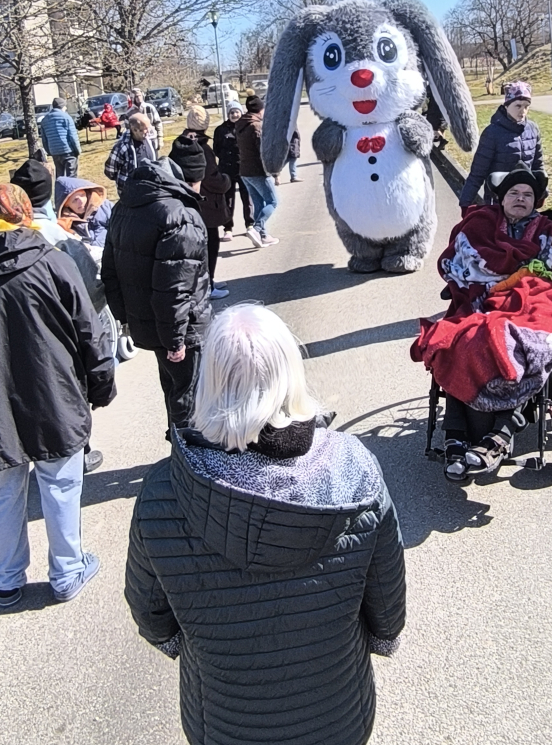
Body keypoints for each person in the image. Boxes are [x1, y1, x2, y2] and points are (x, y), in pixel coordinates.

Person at [124, 303, 406, 745]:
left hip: (220, 721)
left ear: (208, 381)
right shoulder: (354, 470)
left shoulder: (164, 490)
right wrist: (383, 640)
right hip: (337, 715)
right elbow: (386, 601)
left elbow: (152, 616)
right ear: (290, 371)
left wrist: (186, 646)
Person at [0, 184, 115, 607]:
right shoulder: (52, 262)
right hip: (54, 395)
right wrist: (100, 384)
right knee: (61, 484)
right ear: (25, 213)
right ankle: (67, 571)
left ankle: (6, 578)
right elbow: (91, 331)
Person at [411, 164, 552, 480]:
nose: (520, 199)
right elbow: (457, 263)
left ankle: (501, 435)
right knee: (457, 342)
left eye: (527, 195)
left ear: (536, 201)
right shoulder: (479, 224)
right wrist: (486, 284)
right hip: (479, 303)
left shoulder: (548, 230)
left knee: (517, 345)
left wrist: (516, 282)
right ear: (501, 199)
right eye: (514, 193)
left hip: (528, 303)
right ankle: (456, 436)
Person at [11, 162, 108, 475]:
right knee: (67, 394)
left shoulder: (5, 236)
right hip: (61, 332)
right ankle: (80, 451)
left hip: (17, 331)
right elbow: (91, 288)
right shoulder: (60, 237)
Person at [102, 154, 211, 433]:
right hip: (182, 327)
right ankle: (187, 461)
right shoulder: (180, 217)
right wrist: (175, 339)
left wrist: (125, 318)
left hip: (149, 322)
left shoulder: (123, 209)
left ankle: (178, 446)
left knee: (173, 388)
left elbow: (110, 271)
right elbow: (175, 289)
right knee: (190, 396)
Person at [458, 81, 544, 209]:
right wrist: (465, 203)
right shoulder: (492, 133)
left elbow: (538, 165)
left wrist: (542, 191)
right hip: (497, 201)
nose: (523, 111)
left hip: (524, 201)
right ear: (506, 106)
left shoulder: (532, 129)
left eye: (526, 106)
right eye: (518, 106)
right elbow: (477, 173)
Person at [178, 108, 231, 299]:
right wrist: (226, 180)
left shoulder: (180, 143)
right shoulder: (202, 148)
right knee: (210, 245)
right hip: (206, 204)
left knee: (200, 246)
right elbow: (211, 178)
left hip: (188, 203)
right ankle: (207, 286)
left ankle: (208, 282)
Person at [237, 95, 278, 248]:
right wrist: (273, 169)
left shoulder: (241, 124)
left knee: (258, 204)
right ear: (260, 109)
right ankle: (256, 229)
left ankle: (263, 236)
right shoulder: (256, 127)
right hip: (258, 170)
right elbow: (263, 151)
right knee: (273, 202)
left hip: (244, 170)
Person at [212, 101, 253, 241]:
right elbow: (216, 149)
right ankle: (228, 228)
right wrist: (224, 158)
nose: (235, 115)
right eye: (232, 112)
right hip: (226, 170)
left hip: (244, 168)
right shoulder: (220, 130)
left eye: (237, 112)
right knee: (228, 200)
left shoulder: (246, 126)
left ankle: (250, 225)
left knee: (247, 198)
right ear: (228, 114)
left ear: (241, 113)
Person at [104, 112, 157, 196]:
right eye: (144, 129)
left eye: (148, 128)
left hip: (150, 189)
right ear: (134, 130)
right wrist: (124, 179)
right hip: (131, 193)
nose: (148, 132)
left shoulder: (149, 140)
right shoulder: (122, 147)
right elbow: (110, 171)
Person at [39, 97, 81, 178]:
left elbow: (44, 140)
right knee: (72, 176)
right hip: (68, 151)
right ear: (62, 106)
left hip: (55, 151)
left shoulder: (45, 120)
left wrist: (50, 151)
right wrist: (77, 150)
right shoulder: (66, 117)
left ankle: (60, 190)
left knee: (60, 176)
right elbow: (73, 136)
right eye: (65, 106)